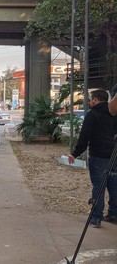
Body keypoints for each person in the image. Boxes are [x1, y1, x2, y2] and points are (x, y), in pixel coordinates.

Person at [66, 89, 117, 228]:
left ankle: (96, 218)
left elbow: (84, 136)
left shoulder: (92, 114)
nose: (90, 102)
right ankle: (113, 214)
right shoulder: (114, 114)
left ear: (94, 99)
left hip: (98, 155)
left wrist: (75, 153)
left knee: (99, 187)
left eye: (90, 99)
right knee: (114, 186)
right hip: (113, 156)